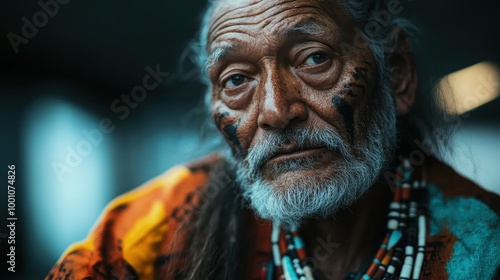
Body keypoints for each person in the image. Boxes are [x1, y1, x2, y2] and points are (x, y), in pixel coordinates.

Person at [46, 0, 500, 279]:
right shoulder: (147, 234)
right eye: (237, 79)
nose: (276, 111)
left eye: (314, 58)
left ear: (397, 73)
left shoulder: (485, 245)